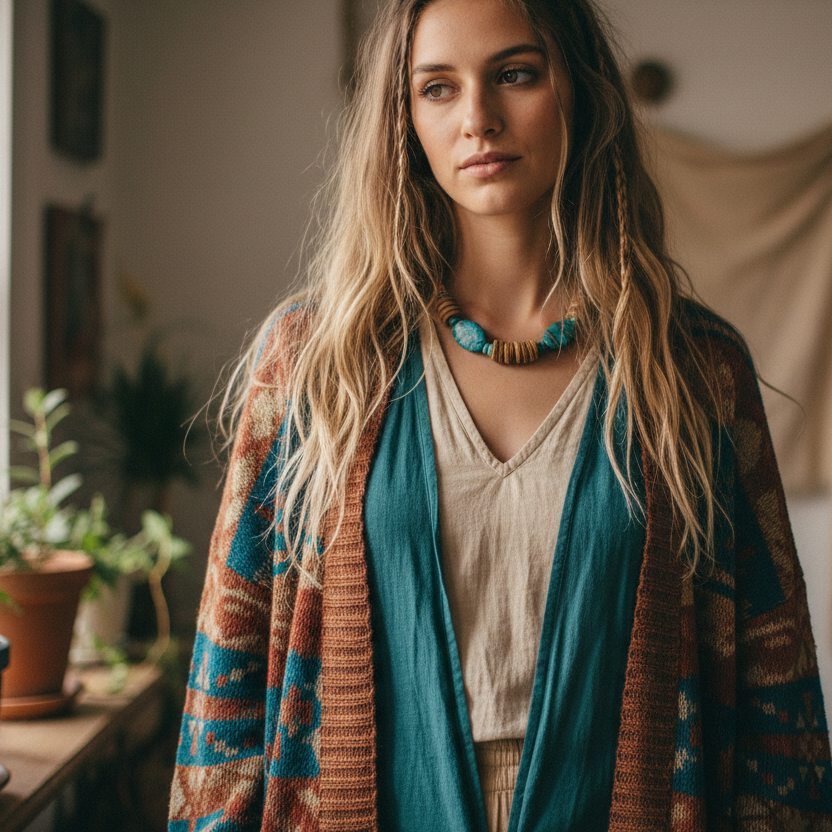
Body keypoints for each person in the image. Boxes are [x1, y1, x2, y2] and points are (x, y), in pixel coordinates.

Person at [169, 0, 832, 829]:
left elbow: (779, 702)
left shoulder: (695, 371)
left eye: (515, 74)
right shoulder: (316, 363)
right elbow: (225, 685)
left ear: (578, 88)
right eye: (437, 88)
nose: (477, 117)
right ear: (403, 119)